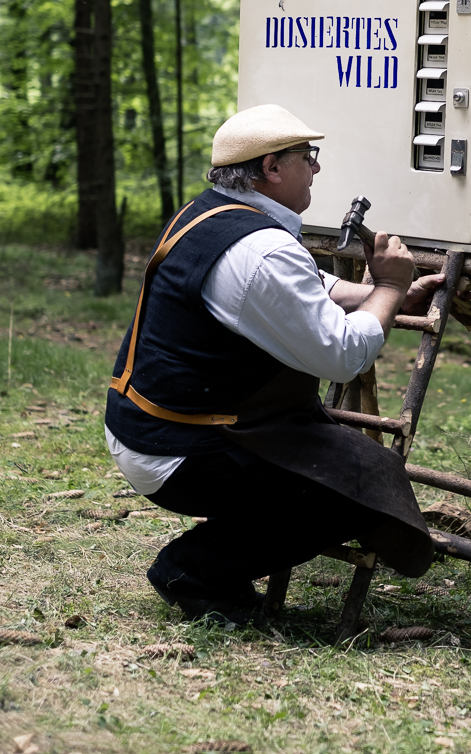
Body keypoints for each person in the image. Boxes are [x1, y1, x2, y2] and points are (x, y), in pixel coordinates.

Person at [105, 104, 443, 625]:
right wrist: (391, 287)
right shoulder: (261, 250)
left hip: (153, 426)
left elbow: (304, 285)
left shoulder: (211, 213)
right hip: (179, 449)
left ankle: (214, 562)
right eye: (307, 156)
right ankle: (192, 572)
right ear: (271, 168)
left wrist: (374, 297)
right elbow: (344, 356)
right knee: (356, 491)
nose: (316, 166)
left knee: (347, 469)